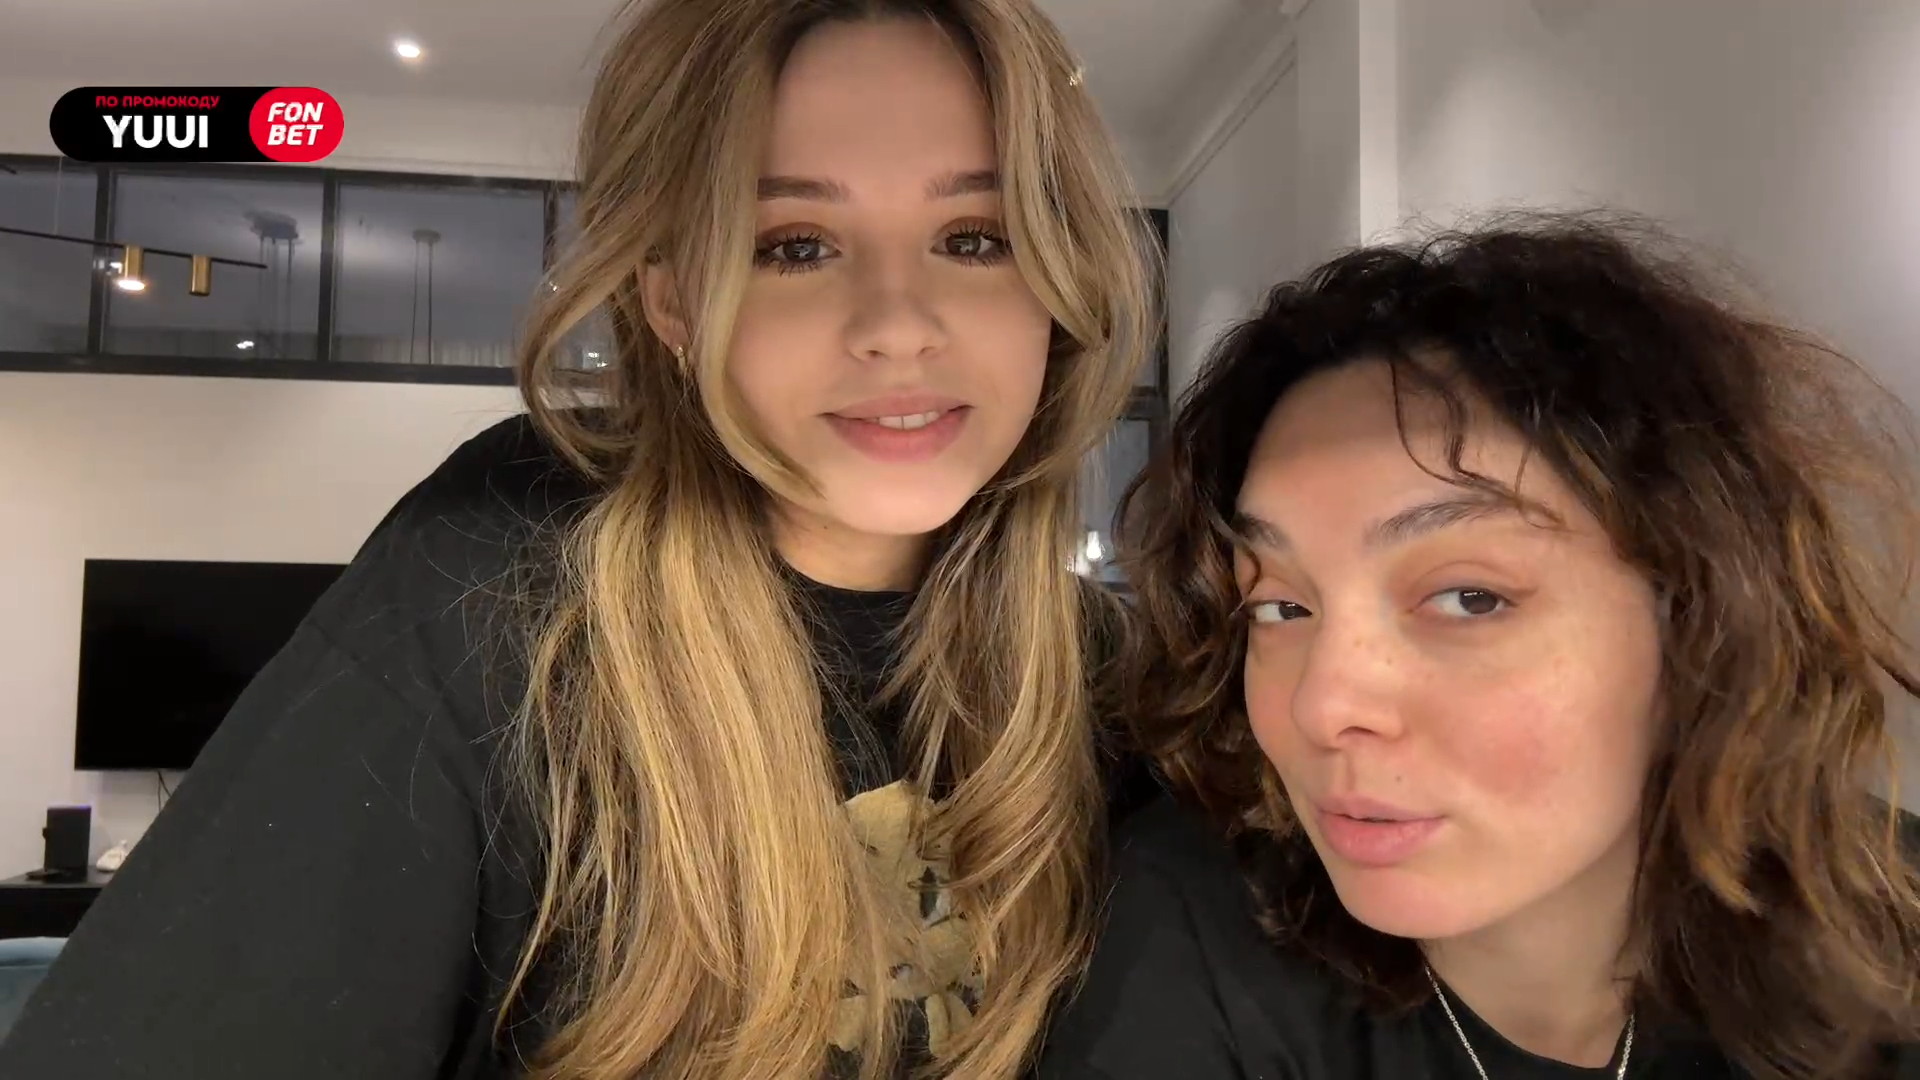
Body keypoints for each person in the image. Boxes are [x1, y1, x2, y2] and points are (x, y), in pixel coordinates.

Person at [0, 1, 1160, 1078]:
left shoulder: (1105, 678)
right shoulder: (497, 581)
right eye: (796, 245)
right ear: (671, 298)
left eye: (975, 237)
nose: (899, 327)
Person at [1037, 214, 1920, 1080]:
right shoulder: (1189, 929)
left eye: (1470, 598)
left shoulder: (1886, 926)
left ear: (1698, 621)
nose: (1322, 707)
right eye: (1279, 607)